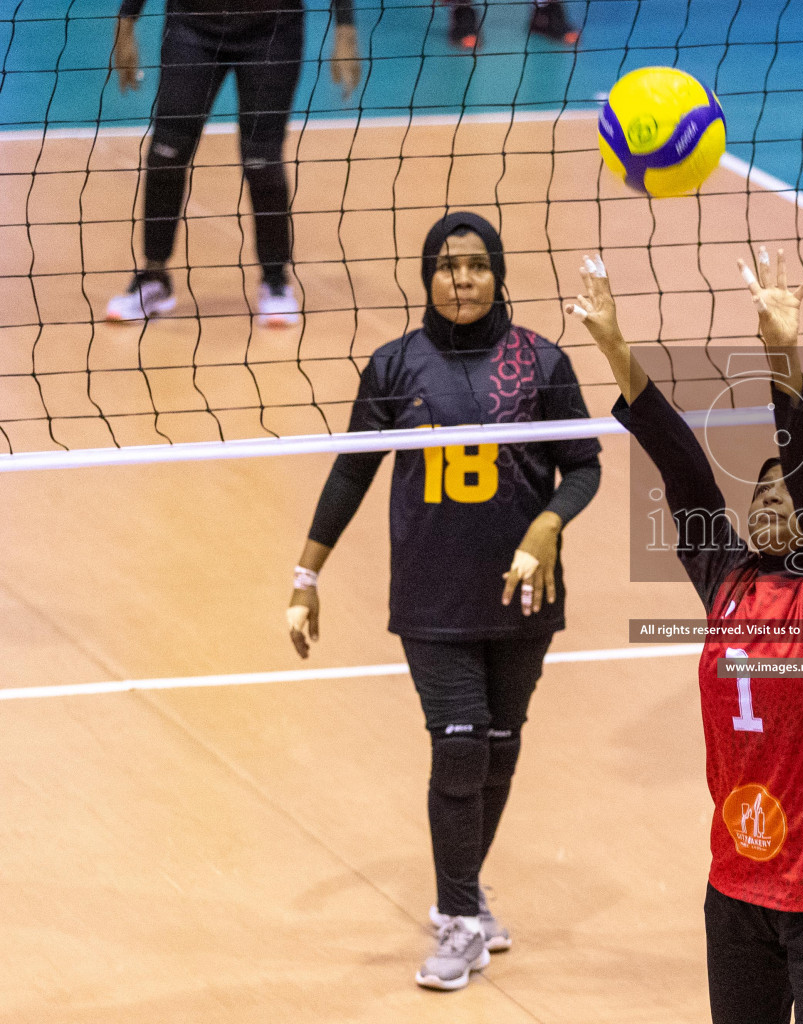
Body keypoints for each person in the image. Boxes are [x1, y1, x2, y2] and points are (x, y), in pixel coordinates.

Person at [568, 250, 803, 1024]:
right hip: (737, 885)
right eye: (760, 494)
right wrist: (616, 347)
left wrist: (781, 353)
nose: (772, 503)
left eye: (789, 496)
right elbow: (682, 470)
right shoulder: (727, 579)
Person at [286, 211, 602, 990]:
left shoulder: (541, 363)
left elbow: (585, 465)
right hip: (431, 595)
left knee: (500, 744)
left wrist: (549, 525)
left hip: (524, 591)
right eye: (445, 266)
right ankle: (459, 916)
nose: (460, 280)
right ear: (425, 276)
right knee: (459, 744)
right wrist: (306, 578)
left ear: (499, 274)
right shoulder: (395, 368)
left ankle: (465, 891)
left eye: (475, 266)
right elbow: (350, 474)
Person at [104, 0, 361, 326]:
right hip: (192, 25)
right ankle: (154, 278)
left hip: (272, 29)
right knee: (165, 154)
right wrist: (126, 21)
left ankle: (275, 281)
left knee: (262, 160)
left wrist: (345, 30)